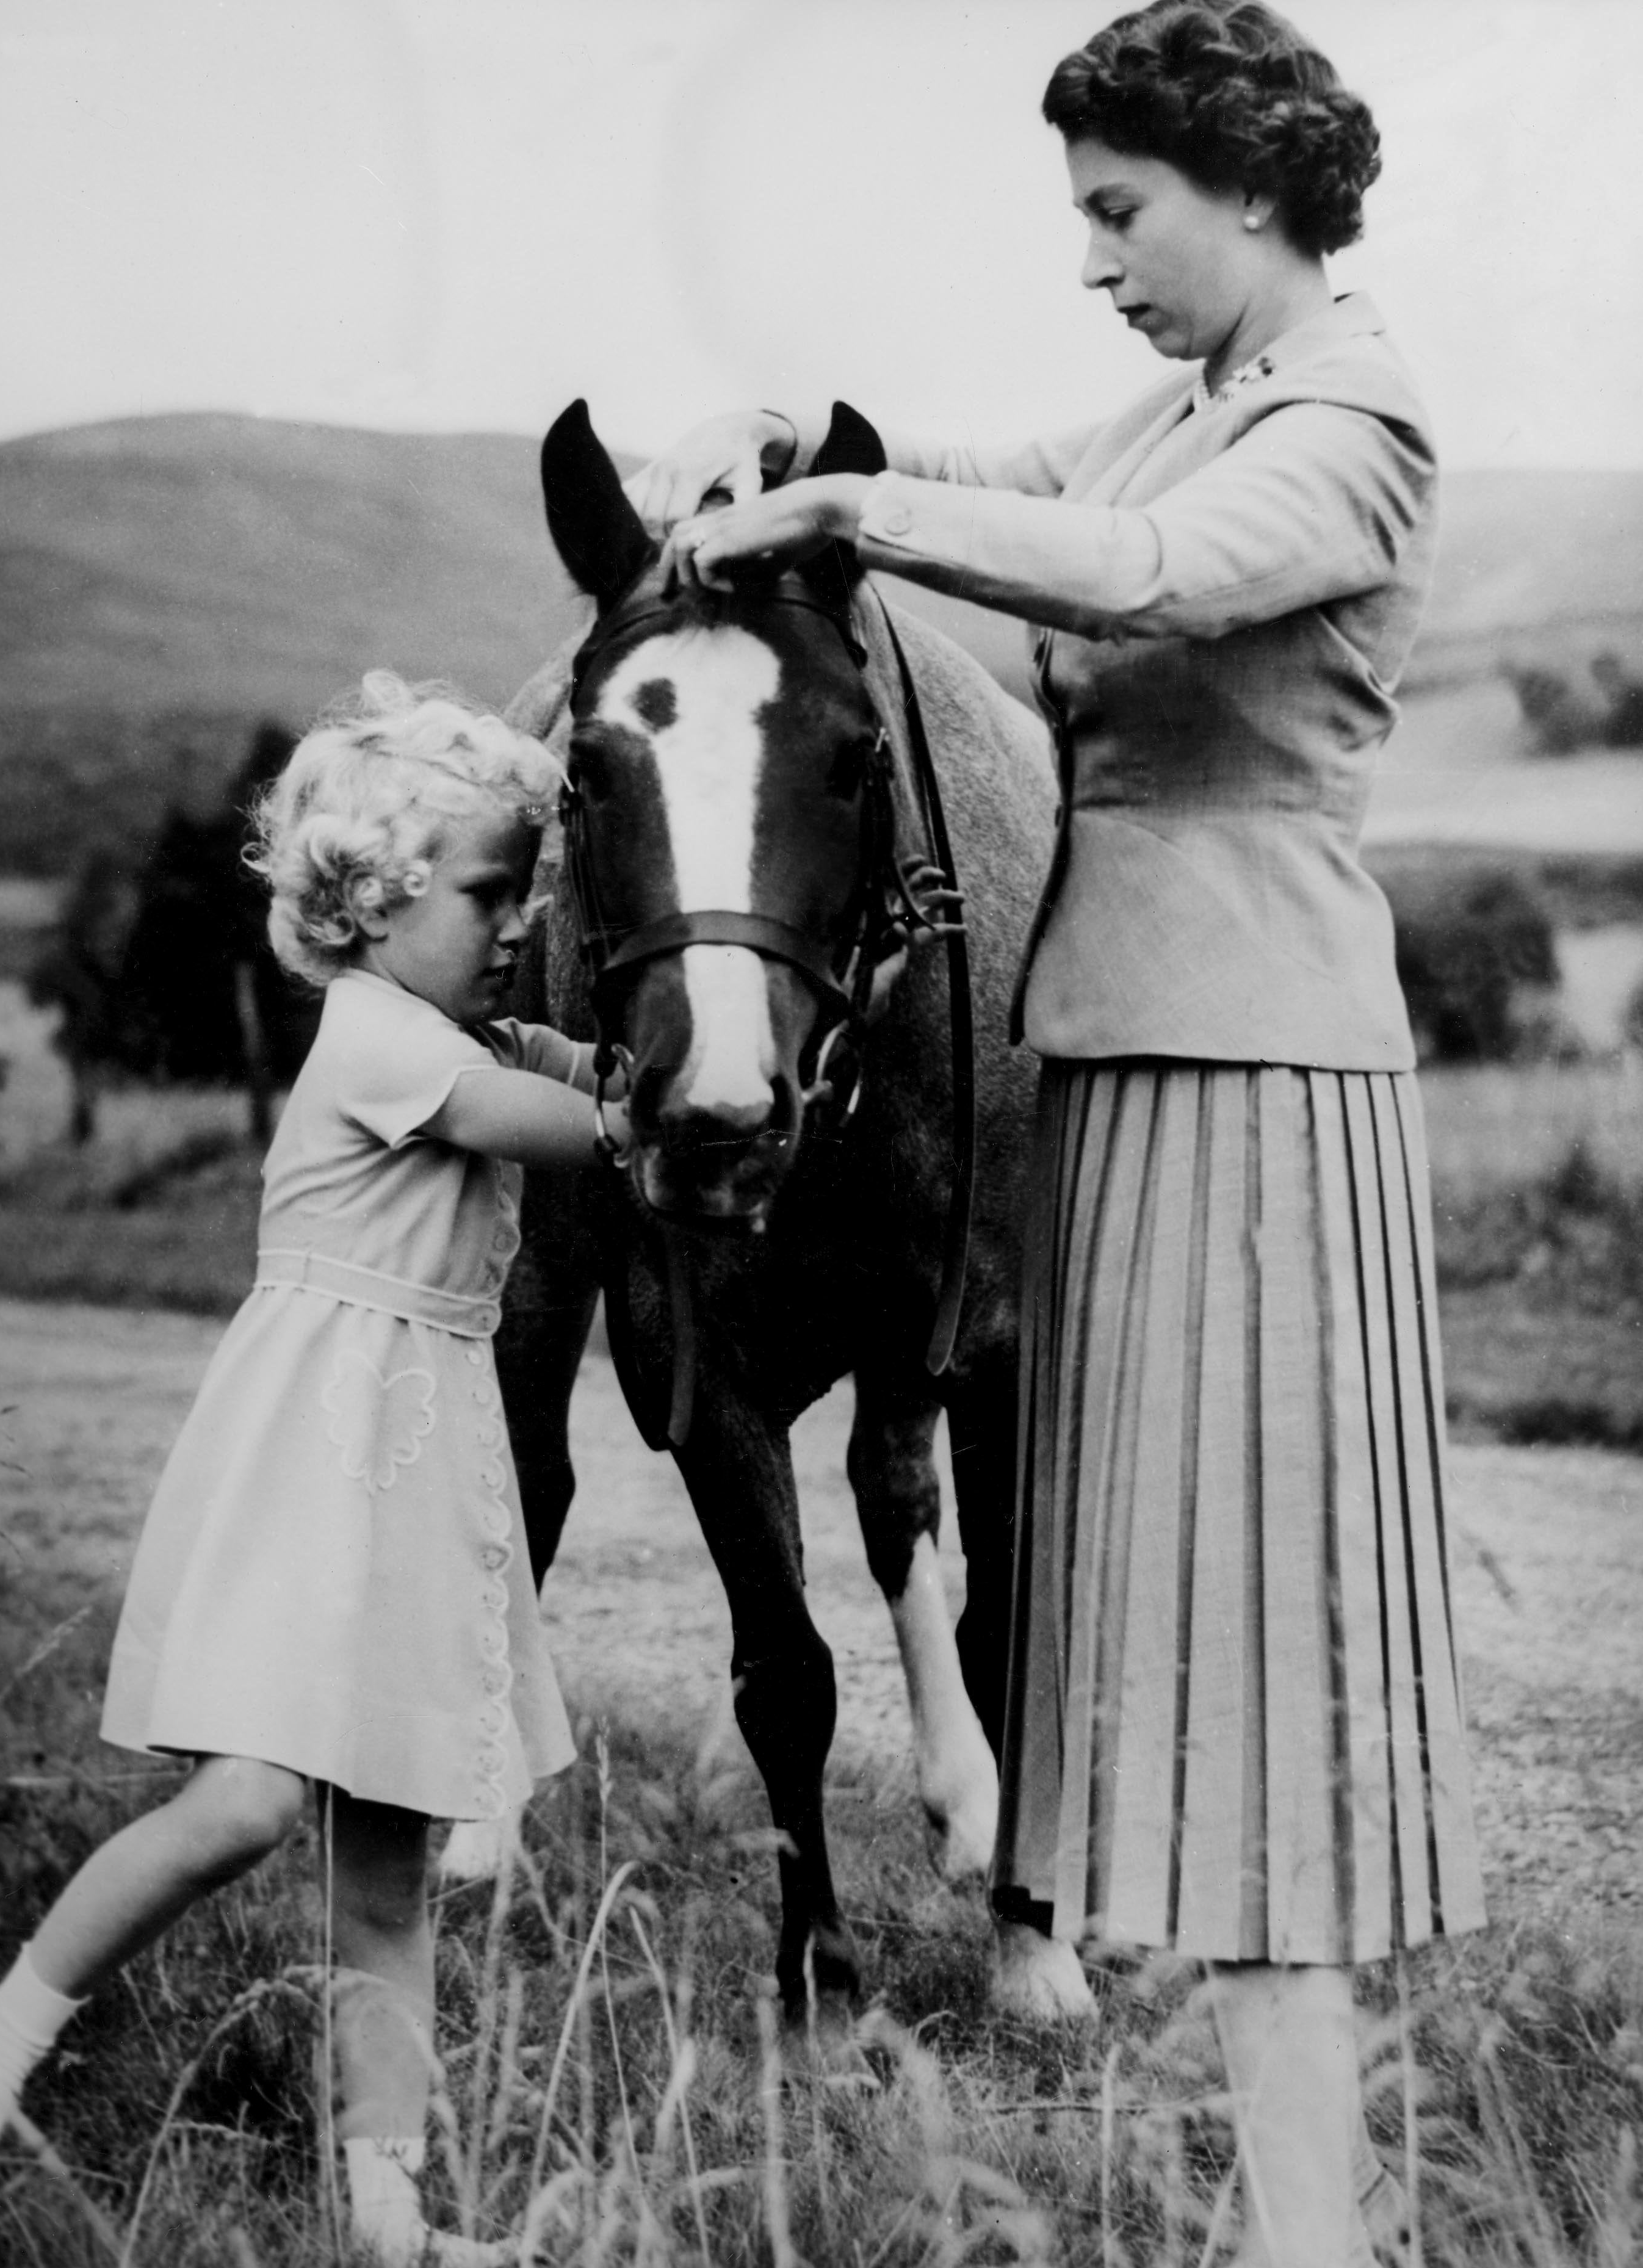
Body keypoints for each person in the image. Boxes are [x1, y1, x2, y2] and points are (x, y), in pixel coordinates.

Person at [624, 4, 1484, 2261]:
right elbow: (1036, 481)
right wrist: (802, 432)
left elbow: (1147, 577)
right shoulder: (1188, 402)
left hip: (1260, 1078)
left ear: (1253, 184)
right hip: (1124, 1068)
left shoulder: (1350, 413)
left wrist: (847, 507)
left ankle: (1317, 2215)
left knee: (1266, 1635)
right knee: (1168, 1631)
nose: (1093, 259)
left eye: (1121, 212)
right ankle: (1292, 2192)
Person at [0, 673, 629, 2267]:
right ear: (374, 900)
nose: (518, 924)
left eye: (531, 894)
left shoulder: (457, 1020)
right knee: (241, 1799)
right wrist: (651, 1114)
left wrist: (673, 1055)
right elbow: (556, 1117)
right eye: (494, 893)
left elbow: (569, 1053)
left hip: (414, 1479)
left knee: (391, 1871)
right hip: (317, 1467)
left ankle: (388, 2213)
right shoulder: (380, 1036)